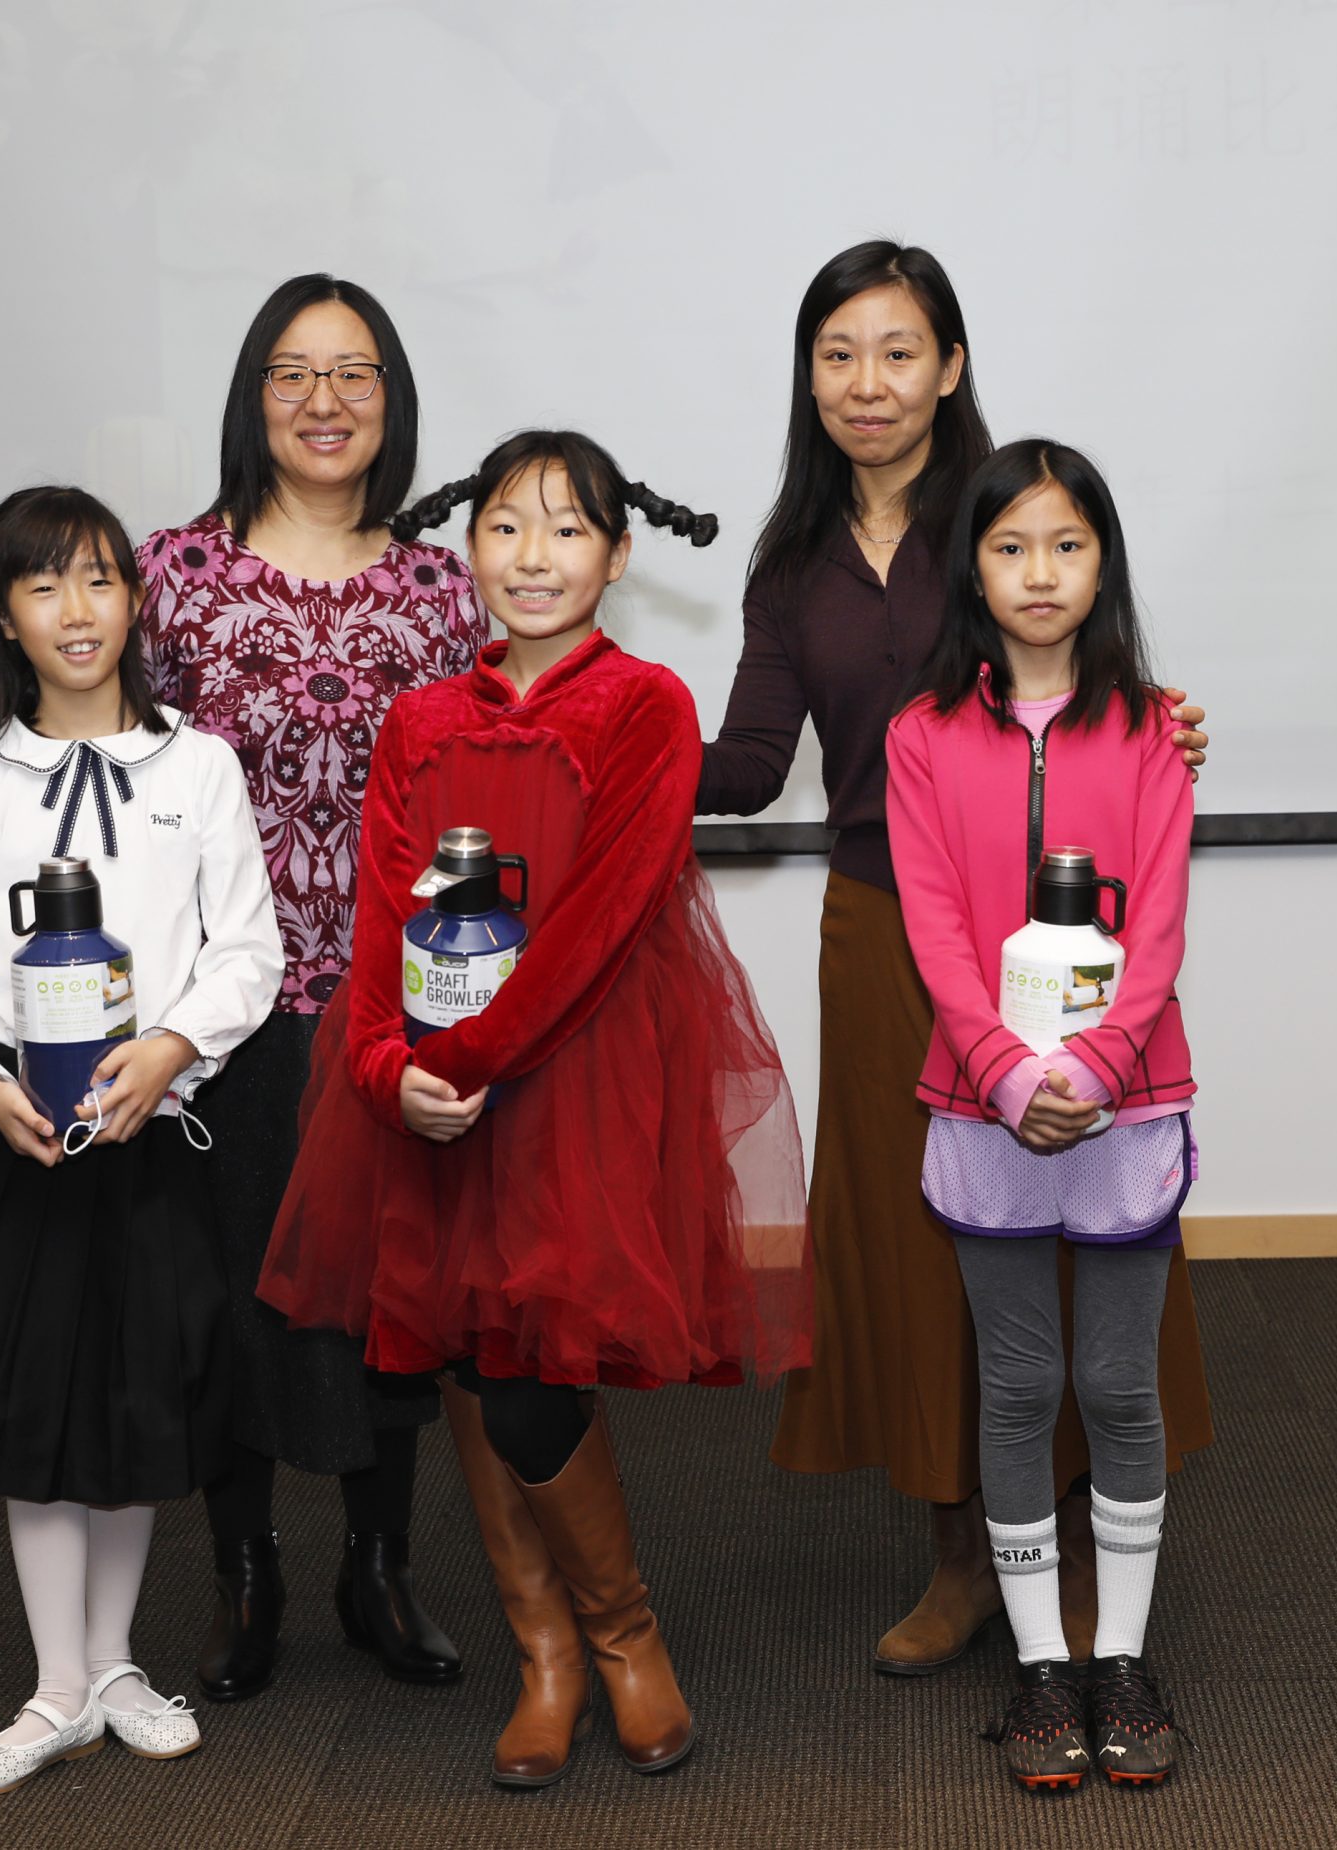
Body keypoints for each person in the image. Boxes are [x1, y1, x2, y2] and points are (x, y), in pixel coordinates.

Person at [0, 276, 485, 1701]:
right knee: (229, 1295)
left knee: (381, 1292)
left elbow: (482, 777)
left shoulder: (441, 588)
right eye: (292, 373)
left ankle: (379, 1565)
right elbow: (79, 721)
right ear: (252, 397)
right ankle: (244, 1572)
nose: (324, 401)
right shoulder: (169, 570)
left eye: (355, 374)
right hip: (211, 1018)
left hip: (391, 997)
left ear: (393, 400)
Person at [260, 432, 809, 1789]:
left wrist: (468, 1060)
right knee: (468, 1347)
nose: (534, 556)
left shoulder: (646, 706)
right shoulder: (420, 719)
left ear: (617, 558)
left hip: (574, 1083)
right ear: (469, 551)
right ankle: (544, 1653)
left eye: (568, 530)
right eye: (506, 527)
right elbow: (380, 911)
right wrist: (383, 1066)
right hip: (436, 1096)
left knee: (528, 1374)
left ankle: (625, 1639)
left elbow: (596, 927)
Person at [698, 240, 1218, 1675]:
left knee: (1089, 1221)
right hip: (886, 932)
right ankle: (962, 1553)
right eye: (838, 354)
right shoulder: (790, 563)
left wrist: (1159, 724)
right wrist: (607, 743)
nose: (867, 383)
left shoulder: (1004, 516)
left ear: (952, 366)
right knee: (926, 1239)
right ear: (808, 376)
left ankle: (1087, 1529)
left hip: (1060, 935)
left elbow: (1091, 682)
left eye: (899, 351)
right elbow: (751, 764)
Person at [0, 486, 282, 1797]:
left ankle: (114, 1667)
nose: (76, 609)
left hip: (148, 1143)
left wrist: (170, 1049)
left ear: (135, 598)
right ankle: (55, 1686)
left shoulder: (200, 769)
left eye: (100, 578)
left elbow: (247, 951)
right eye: (43, 584)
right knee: (36, 1413)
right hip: (19, 1153)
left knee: (133, 1404)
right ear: (5, 614)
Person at [886, 438, 1194, 1790]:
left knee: (1118, 1386)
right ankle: (1038, 1669)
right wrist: (1011, 1077)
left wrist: (1101, 1069)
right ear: (973, 570)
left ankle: (1118, 1656)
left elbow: (1160, 923)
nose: (1040, 572)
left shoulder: (1154, 728)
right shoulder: (920, 734)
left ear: (1103, 563)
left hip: (1130, 1101)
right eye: (1010, 546)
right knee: (1016, 1388)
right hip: (984, 1104)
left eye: (1068, 544)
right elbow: (936, 928)